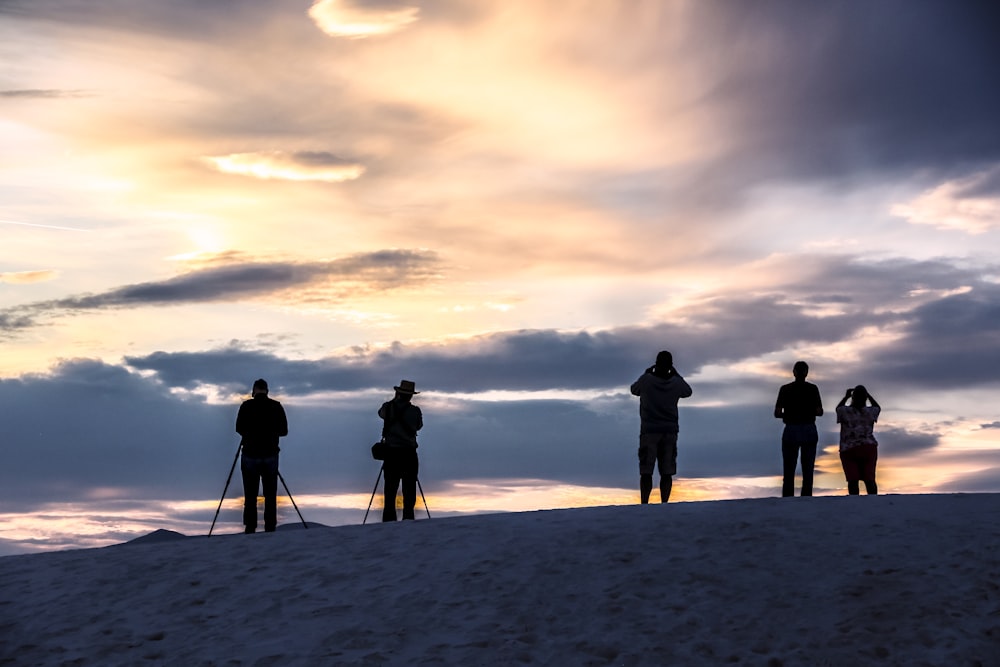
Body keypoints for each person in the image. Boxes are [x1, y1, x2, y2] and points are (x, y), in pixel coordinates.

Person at [630, 351, 693, 503]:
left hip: (649, 431)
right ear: (671, 366)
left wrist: (645, 374)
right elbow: (688, 392)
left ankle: (644, 502)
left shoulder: (646, 380)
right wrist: (677, 375)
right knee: (667, 472)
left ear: (656, 364)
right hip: (669, 431)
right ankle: (665, 503)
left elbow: (634, 389)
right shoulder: (676, 383)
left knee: (646, 471)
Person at [235, 378, 288, 533]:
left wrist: (250, 433)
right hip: (270, 455)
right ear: (267, 390)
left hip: (250, 455)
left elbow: (239, 428)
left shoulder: (246, 406)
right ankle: (270, 526)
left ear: (254, 391)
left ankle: (250, 527)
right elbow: (284, 431)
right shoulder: (276, 406)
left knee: (250, 494)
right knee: (270, 494)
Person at [773, 361, 824, 497]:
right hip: (808, 428)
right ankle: (806, 497)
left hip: (791, 428)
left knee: (789, 468)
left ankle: (788, 498)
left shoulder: (785, 389)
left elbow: (777, 413)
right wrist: (807, 412)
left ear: (793, 372)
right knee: (808, 469)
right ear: (806, 373)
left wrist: (790, 414)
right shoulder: (813, 389)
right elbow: (819, 411)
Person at [378, 379, 423, 521]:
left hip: (391, 454)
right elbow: (419, 426)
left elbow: (381, 414)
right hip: (409, 454)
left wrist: (394, 401)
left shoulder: (388, 407)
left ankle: (388, 521)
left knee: (390, 489)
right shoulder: (415, 411)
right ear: (411, 395)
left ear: (398, 393)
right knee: (409, 489)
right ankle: (408, 520)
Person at [836, 385, 881, 495]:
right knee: (869, 479)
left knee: (852, 480)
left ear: (853, 397)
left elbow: (838, 408)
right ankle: (874, 502)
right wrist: (869, 395)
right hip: (868, 448)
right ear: (865, 398)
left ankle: (854, 503)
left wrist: (846, 397)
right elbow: (877, 407)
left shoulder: (845, 411)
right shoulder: (870, 412)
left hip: (849, 449)